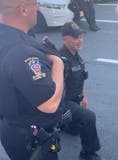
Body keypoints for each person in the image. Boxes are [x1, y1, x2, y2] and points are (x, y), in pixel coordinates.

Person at [0, 0, 64, 159]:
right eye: (35, 4)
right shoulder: (21, 51)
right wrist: (58, 64)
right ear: (23, 9)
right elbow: (50, 104)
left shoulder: (7, 36)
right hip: (31, 138)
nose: (37, 8)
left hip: (12, 126)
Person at [58, 22, 102, 160]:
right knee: (89, 117)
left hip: (75, 101)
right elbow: (55, 90)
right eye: (75, 38)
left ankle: (66, 124)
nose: (80, 40)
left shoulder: (77, 56)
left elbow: (81, 78)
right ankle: (87, 153)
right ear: (65, 39)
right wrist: (60, 111)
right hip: (63, 104)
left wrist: (84, 96)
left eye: (81, 37)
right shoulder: (60, 60)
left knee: (75, 130)